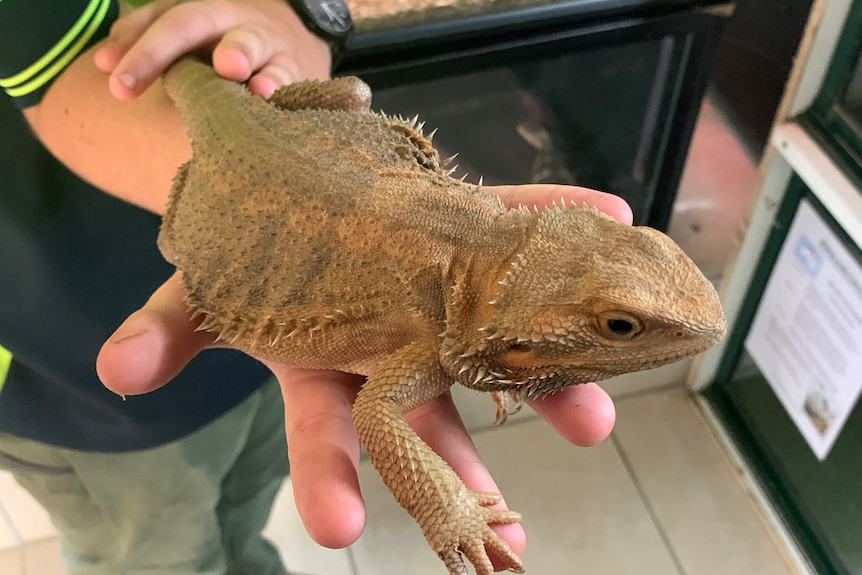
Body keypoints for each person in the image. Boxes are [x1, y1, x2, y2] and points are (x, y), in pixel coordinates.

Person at [0, 1, 624, 573]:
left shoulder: (454, 302)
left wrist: (304, 15)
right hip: (76, 386)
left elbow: (341, 86)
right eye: (618, 326)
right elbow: (378, 411)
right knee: (149, 553)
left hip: (262, 361)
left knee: (250, 506)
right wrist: (447, 511)